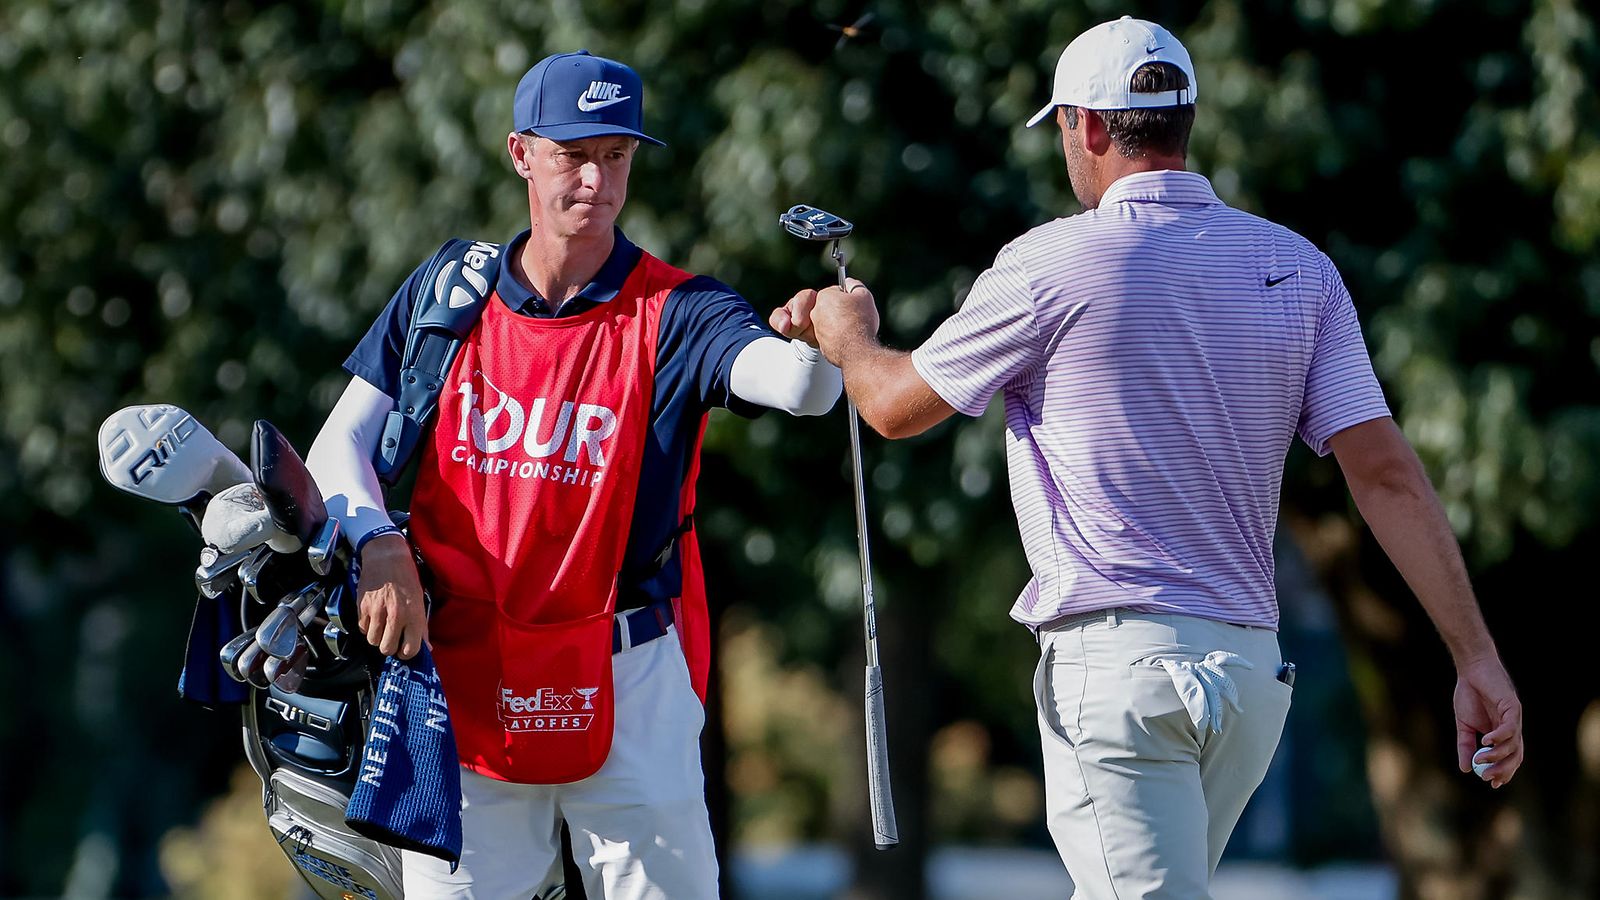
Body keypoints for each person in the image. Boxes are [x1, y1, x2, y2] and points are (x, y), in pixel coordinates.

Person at [779, 16, 1525, 898]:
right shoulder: (1300, 268)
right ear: (1186, 118)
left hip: (1120, 682)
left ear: (1087, 128)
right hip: (1249, 682)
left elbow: (896, 408)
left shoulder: (1047, 265)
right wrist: (1476, 657)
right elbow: (1386, 475)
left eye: (1062, 128)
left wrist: (849, 335)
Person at [306, 49, 841, 899]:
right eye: (573, 155)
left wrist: (821, 337)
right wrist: (377, 542)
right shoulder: (450, 289)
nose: (596, 180)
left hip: (632, 678)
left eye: (616, 156)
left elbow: (795, 388)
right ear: (521, 154)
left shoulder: (679, 309)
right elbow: (339, 446)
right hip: (465, 675)